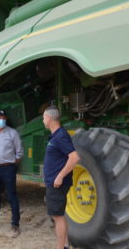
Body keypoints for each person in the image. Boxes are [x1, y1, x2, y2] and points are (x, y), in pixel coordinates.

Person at [42, 106, 80, 249]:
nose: (43, 120)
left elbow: (74, 158)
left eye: (44, 117)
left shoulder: (61, 136)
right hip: (53, 183)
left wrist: (60, 176)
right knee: (58, 215)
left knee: (57, 217)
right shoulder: (56, 135)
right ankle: (65, 245)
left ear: (49, 118)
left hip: (57, 184)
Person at [0, 110, 23, 238]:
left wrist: (11, 164)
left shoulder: (12, 133)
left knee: (12, 195)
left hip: (8, 168)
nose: (1, 119)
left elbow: (19, 152)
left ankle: (15, 224)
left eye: (3, 117)